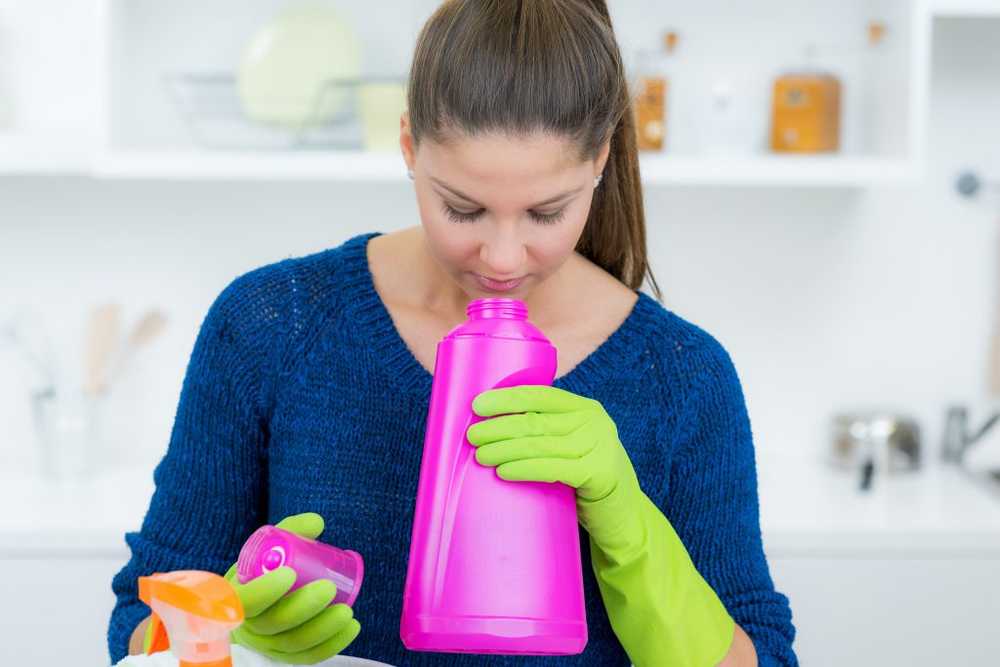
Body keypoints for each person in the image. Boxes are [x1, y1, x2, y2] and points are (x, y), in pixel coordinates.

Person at [108, 1, 797, 665]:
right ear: (408, 144)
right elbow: (137, 623)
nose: (501, 257)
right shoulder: (273, 325)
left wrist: (630, 525)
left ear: (601, 160)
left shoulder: (683, 378)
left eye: (546, 212)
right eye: (462, 208)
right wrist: (227, 628)